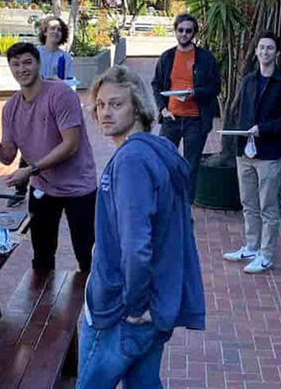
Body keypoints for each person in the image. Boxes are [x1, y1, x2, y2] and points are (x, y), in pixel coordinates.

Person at [77, 66, 205, 388]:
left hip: (124, 310)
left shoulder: (132, 160)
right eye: (101, 104)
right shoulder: (154, 151)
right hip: (152, 306)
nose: (105, 112)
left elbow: (136, 244)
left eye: (116, 104)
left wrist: (135, 306)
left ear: (137, 107)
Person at [0, 42, 97, 273]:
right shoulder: (11, 107)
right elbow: (8, 157)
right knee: (42, 256)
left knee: (87, 255)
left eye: (27, 62)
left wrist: (32, 169)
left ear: (38, 64)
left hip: (78, 187)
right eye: (15, 64)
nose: (21, 69)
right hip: (42, 188)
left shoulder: (61, 94)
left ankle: (95, 305)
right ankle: (44, 306)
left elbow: (71, 144)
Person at [222, 32, 281, 274]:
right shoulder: (248, 81)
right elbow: (239, 112)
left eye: (269, 48)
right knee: (248, 203)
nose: (264, 52)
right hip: (244, 152)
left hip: (269, 153)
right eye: (261, 47)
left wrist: (262, 129)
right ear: (256, 51)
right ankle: (251, 247)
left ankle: (266, 255)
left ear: (276, 53)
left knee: (268, 207)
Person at [151, 13, 221, 203]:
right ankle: (165, 203)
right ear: (175, 31)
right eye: (180, 30)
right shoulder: (167, 57)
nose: (184, 34)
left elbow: (216, 87)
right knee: (164, 161)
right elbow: (157, 84)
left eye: (188, 31)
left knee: (191, 167)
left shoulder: (206, 58)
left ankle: (186, 208)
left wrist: (196, 92)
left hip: (196, 120)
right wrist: (163, 110)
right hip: (171, 118)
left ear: (194, 33)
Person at [8, 16, 75, 208]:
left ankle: (54, 186)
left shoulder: (65, 57)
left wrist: (58, 82)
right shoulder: (34, 53)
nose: (56, 32)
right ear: (44, 31)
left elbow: (69, 83)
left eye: (59, 30)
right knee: (28, 147)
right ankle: (20, 190)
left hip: (54, 107)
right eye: (52, 29)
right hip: (32, 106)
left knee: (53, 145)